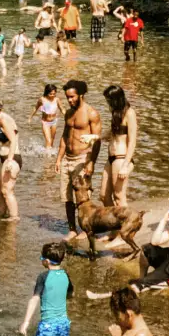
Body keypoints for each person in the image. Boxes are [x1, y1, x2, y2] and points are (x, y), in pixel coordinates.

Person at [60, 80, 102, 239]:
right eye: (67, 97)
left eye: (72, 97)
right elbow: (64, 137)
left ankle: (87, 229)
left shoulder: (92, 113)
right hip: (67, 159)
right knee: (67, 197)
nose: (69, 100)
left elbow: (97, 140)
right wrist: (58, 159)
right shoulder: (69, 113)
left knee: (83, 197)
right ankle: (72, 229)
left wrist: (91, 162)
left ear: (81, 95)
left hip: (83, 158)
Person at [19, 241, 72, 336]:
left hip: (48, 324)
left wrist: (26, 322)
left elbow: (35, 299)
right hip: (64, 323)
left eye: (41, 258)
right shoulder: (66, 275)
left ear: (46, 261)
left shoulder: (43, 277)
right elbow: (70, 294)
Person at [101, 85, 138, 212]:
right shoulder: (116, 113)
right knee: (104, 196)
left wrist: (125, 165)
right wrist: (95, 137)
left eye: (109, 100)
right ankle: (114, 225)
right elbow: (112, 133)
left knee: (119, 197)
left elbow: (132, 141)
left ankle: (124, 228)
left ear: (116, 99)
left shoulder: (130, 113)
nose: (108, 103)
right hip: (111, 158)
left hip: (121, 159)